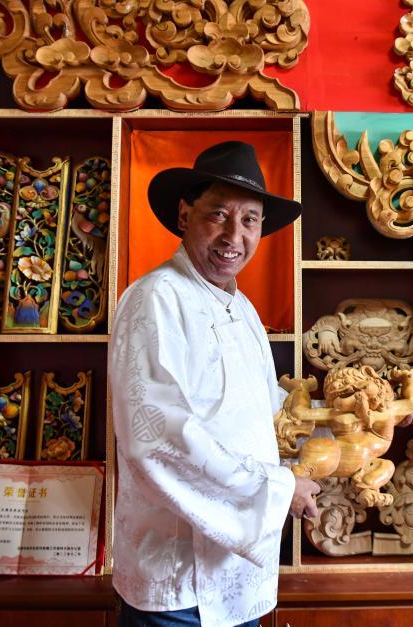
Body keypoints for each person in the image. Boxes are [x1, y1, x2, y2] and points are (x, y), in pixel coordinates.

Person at [109, 141, 321, 627]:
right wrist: (276, 490)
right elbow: (157, 437)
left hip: (240, 578)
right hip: (178, 583)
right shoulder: (156, 298)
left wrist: (356, 422)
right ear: (185, 215)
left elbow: (273, 413)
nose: (234, 236)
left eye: (250, 220)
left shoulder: (241, 308)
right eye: (218, 215)